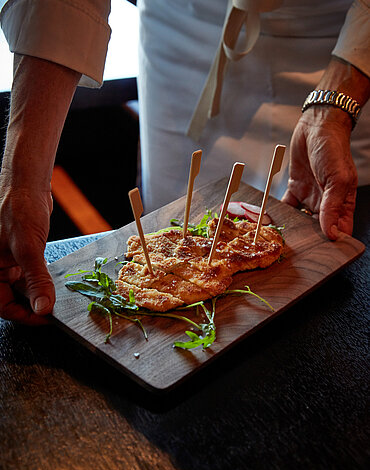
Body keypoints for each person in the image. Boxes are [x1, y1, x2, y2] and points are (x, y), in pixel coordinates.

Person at [0, 0, 369, 324]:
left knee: (315, 285)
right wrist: (22, 179)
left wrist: (333, 110)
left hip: (331, 57)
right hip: (177, 38)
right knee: (178, 218)